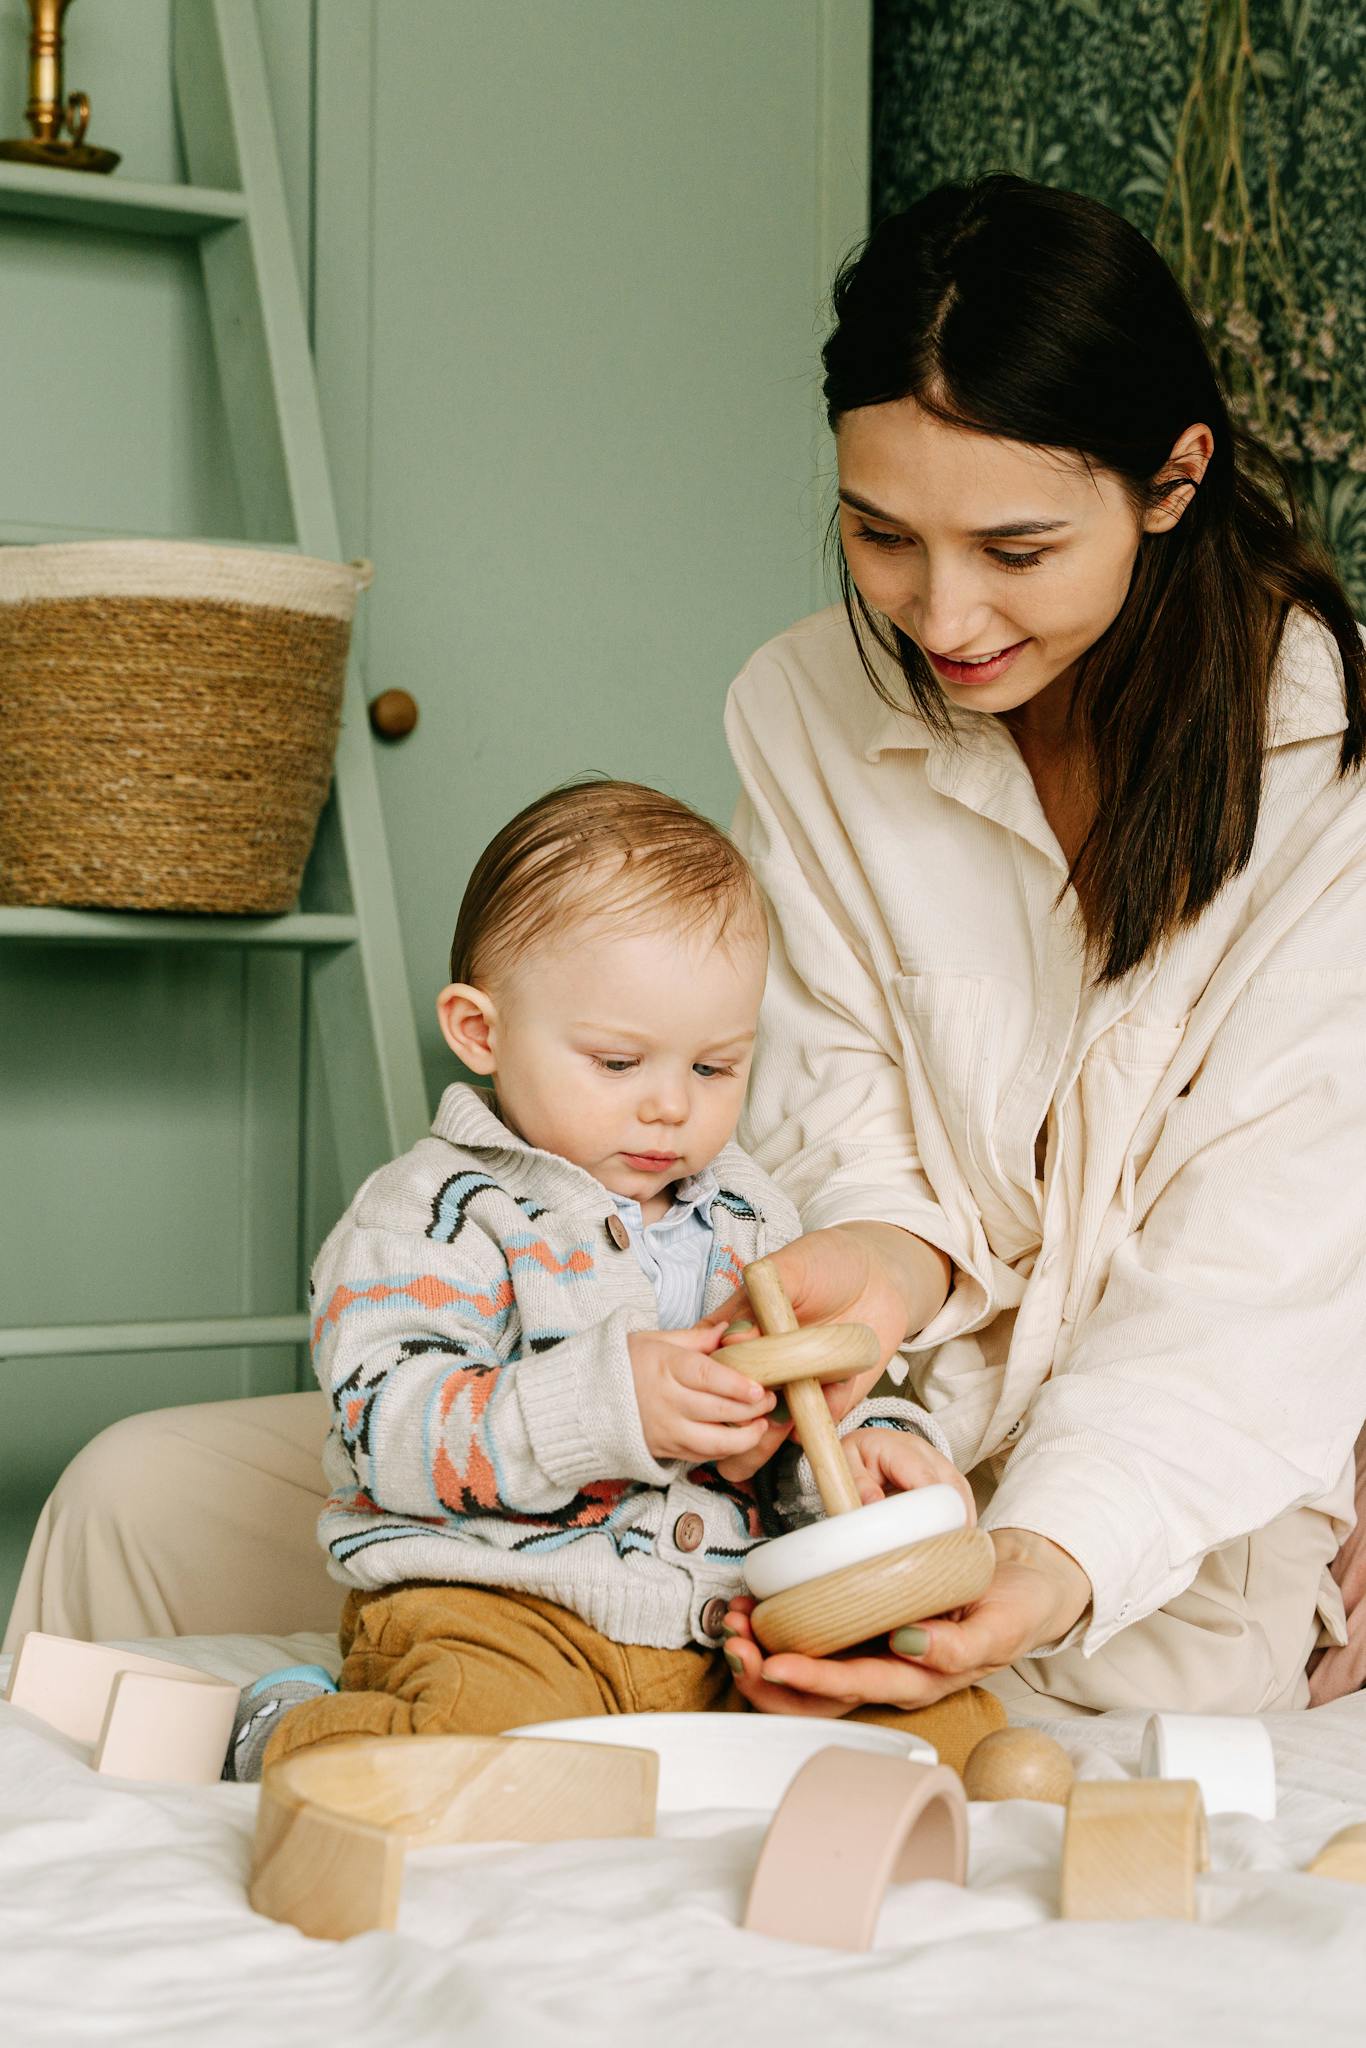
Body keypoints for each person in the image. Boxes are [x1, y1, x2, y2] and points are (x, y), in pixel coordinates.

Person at [10, 173, 1365, 1721]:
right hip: (748, 1451)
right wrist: (848, 1293)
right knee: (131, 1490)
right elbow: (833, 1135)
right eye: (877, 534)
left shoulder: (1327, 777)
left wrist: (1036, 1559)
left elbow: (1260, 1283)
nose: (940, 612)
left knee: (953, 1735)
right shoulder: (805, 708)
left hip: (1128, 1525)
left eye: (1016, 547)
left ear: (1172, 479)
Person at [222, 779, 1001, 1779]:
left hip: (733, 1630)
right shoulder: (428, 1211)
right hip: (506, 1612)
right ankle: (284, 1728)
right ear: (479, 1030)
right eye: (620, 1060)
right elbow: (389, 1431)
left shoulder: (749, 1212)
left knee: (950, 1735)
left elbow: (811, 1404)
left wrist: (873, 1452)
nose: (671, 1107)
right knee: (464, 1758)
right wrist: (608, 1401)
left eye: (716, 1068)